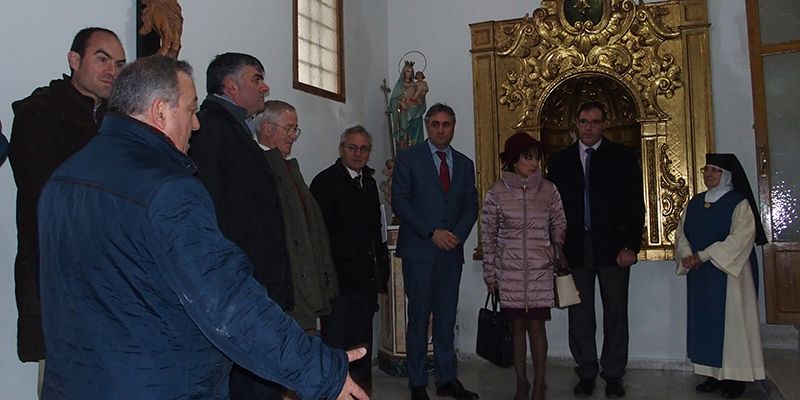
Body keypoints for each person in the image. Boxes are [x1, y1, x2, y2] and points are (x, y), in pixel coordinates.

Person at [36, 54, 367, 400]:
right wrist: (317, 370)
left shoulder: (64, 178)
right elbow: (227, 301)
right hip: (159, 383)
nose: (196, 125)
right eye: (192, 110)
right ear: (161, 111)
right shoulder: (170, 189)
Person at [7, 26, 125, 395]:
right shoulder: (38, 113)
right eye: (102, 58)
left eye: (119, 64)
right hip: (58, 271)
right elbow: (47, 194)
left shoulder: (121, 123)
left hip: (114, 276)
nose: (112, 71)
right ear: (75, 60)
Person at [188, 52, 292, 400]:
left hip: (251, 280)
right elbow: (212, 211)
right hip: (238, 284)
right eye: (256, 78)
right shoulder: (210, 129)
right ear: (230, 85)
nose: (265, 86)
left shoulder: (234, 128)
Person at [546, 101, 645, 398]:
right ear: (575, 124)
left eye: (595, 121)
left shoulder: (623, 157)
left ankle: (613, 373)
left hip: (614, 248)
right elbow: (553, 208)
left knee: (616, 312)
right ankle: (586, 371)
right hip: (575, 248)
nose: (589, 127)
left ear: (604, 124)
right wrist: (556, 245)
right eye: (584, 121)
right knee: (580, 315)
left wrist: (630, 246)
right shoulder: (560, 161)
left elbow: (634, 205)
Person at [392, 103, 479, 400]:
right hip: (420, 252)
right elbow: (400, 201)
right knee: (418, 319)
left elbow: (471, 205)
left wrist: (459, 235)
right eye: (435, 124)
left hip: (451, 253)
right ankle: (417, 383)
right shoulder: (408, 159)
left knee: (445, 318)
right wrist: (431, 232)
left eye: (447, 124)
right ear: (427, 126)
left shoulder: (465, 164)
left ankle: (447, 380)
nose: (441, 129)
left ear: (454, 126)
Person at [674, 153, 767, 399]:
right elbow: (682, 233)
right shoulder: (695, 202)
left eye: (714, 170)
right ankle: (712, 373)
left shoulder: (739, 203)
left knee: (732, 325)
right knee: (706, 323)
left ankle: (736, 377)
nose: (708, 175)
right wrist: (686, 254)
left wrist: (703, 256)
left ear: (726, 175)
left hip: (730, 274)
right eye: (706, 170)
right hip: (701, 275)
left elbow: (740, 239)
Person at [481, 132, 567, 400]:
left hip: (540, 270)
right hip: (510, 272)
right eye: (528, 157)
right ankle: (521, 382)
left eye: (536, 158)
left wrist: (552, 250)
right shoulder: (497, 192)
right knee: (517, 328)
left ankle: (540, 384)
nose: (534, 163)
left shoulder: (549, 190)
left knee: (537, 328)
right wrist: (490, 273)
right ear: (514, 160)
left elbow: (560, 223)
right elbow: (489, 234)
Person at [311, 125, 391, 395]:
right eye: (352, 147)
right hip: (338, 285)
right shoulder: (325, 182)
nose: (358, 153)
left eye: (364, 148)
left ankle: (361, 394)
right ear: (341, 149)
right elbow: (320, 237)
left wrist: (381, 273)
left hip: (364, 284)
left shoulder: (368, 183)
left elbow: (375, 233)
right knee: (337, 348)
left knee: (362, 348)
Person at [253, 100, 339, 332]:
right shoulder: (256, 166)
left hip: (302, 280)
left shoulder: (288, 167)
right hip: (281, 284)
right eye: (288, 129)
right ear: (267, 128)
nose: (293, 136)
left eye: (295, 130)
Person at [389, 61, 426, 150]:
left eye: (411, 72)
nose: (410, 74)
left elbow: (422, 100)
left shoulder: (416, 85)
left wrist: (420, 101)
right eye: (408, 71)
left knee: (415, 142)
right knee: (404, 139)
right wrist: (401, 103)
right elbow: (393, 100)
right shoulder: (399, 85)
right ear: (404, 73)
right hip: (403, 115)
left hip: (415, 115)